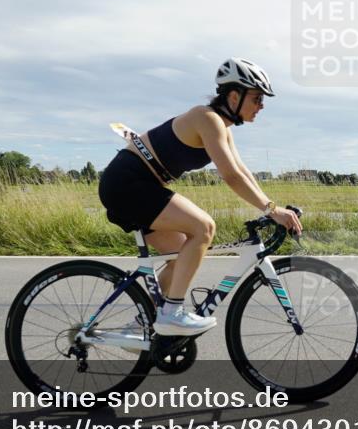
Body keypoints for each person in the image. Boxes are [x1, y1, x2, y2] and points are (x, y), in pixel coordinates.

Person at [98, 58, 303, 337]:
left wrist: (272, 208)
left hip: (140, 186)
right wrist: (271, 209)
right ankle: (172, 314)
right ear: (234, 95)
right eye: (256, 98)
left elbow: (243, 173)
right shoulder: (206, 118)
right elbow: (230, 176)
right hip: (128, 182)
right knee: (203, 227)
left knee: (180, 254)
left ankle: (142, 323)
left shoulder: (222, 128)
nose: (261, 106)